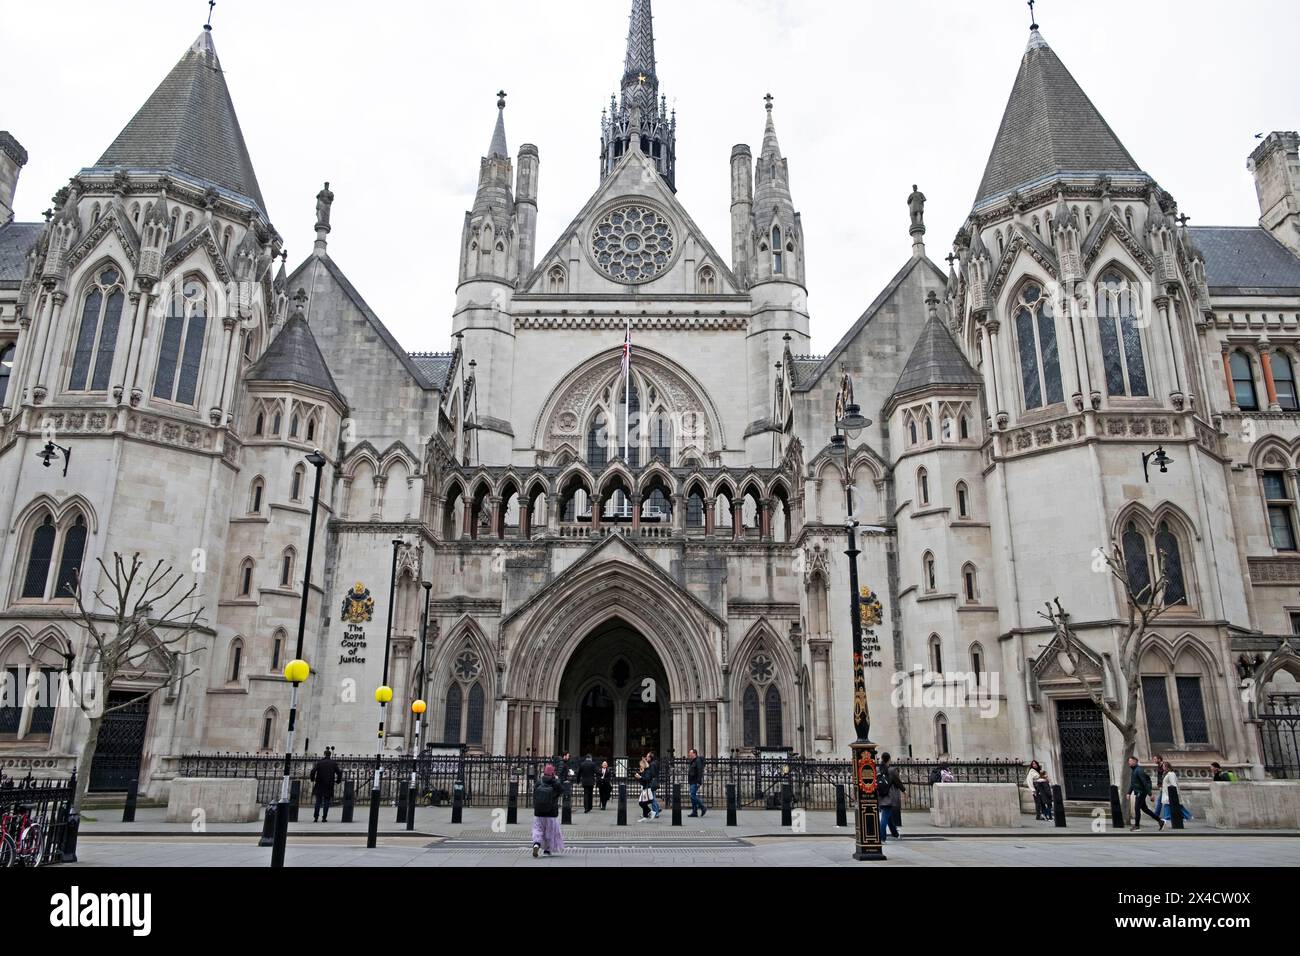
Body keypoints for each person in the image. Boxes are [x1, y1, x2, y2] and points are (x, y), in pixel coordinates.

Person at [531, 763, 565, 857]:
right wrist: (556, 779)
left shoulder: (539, 782)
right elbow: (562, 790)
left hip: (538, 812)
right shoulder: (555, 782)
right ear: (552, 773)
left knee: (538, 829)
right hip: (551, 812)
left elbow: (534, 794)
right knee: (550, 831)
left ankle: (536, 844)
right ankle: (547, 850)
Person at [1127, 755, 1163, 831]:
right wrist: (1129, 793)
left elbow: (1144, 783)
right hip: (1139, 792)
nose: (1128, 763)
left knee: (1137, 808)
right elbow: (1133, 783)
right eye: (1128, 761)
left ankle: (1137, 826)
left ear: (1135, 761)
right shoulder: (1134, 770)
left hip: (1141, 792)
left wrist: (1150, 794)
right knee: (1145, 809)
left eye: (1130, 761)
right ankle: (1160, 821)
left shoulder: (1139, 770)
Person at [309, 747, 343, 823]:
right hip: (329, 784)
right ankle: (324, 817)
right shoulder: (333, 763)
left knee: (318, 801)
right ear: (330, 755)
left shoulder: (319, 762)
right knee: (327, 801)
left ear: (324, 754)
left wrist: (312, 779)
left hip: (319, 783)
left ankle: (316, 817)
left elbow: (313, 771)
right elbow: (339, 772)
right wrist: (338, 781)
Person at [877, 752, 904, 842]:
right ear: (889, 759)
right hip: (889, 797)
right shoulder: (892, 770)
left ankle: (895, 834)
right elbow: (898, 782)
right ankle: (882, 837)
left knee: (888, 816)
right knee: (885, 817)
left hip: (881, 796)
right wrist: (904, 791)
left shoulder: (878, 769)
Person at [1159, 761, 1193, 826]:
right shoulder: (1167, 774)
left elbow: (1174, 784)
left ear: (1167, 767)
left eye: (1163, 766)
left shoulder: (1171, 774)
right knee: (1173, 806)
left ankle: (1166, 819)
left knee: (1172, 806)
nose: (1163, 767)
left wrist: (1175, 794)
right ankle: (1186, 816)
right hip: (1167, 793)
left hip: (1170, 794)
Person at [637, 751, 661, 820]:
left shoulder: (652, 764)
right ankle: (655, 810)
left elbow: (651, 775)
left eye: (647, 756)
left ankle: (655, 812)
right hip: (653, 782)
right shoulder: (654, 763)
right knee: (652, 797)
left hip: (651, 784)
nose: (646, 757)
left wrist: (644, 772)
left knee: (652, 798)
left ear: (650, 757)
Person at [687, 748, 707, 818]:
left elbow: (700, 771)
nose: (689, 754)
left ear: (694, 754)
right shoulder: (693, 761)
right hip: (692, 781)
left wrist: (699, 781)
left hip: (695, 781)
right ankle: (694, 812)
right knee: (692, 797)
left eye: (690, 753)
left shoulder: (698, 761)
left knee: (693, 796)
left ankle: (702, 807)